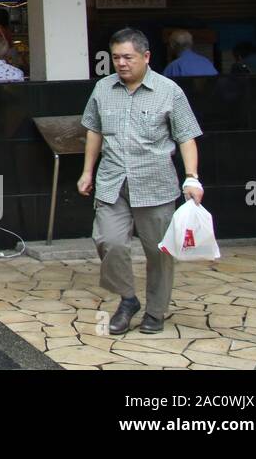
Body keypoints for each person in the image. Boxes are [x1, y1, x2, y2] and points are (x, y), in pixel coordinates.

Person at [78, 28, 202, 336]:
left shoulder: (168, 90)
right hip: (112, 182)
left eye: (128, 57)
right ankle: (128, 299)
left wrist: (191, 177)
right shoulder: (103, 89)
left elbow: (186, 136)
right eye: (116, 57)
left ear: (146, 57)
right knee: (108, 241)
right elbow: (94, 130)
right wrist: (87, 172)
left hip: (156, 184)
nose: (121, 63)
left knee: (159, 252)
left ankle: (156, 312)